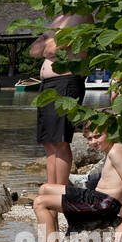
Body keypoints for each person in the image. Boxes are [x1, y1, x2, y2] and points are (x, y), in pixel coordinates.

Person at [32, 128, 122, 242]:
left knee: (39, 203)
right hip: (96, 197)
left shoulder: (116, 151)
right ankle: (52, 240)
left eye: (98, 136)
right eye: (89, 138)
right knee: (45, 189)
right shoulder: (112, 149)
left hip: (103, 204)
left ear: (110, 132)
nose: (93, 142)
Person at [30, 13, 92, 186]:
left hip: (66, 82)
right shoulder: (58, 18)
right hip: (48, 85)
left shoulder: (80, 15)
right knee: (48, 142)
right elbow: (33, 51)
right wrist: (50, 42)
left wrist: (47, 40)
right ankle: (51, 188)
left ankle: (61, 191)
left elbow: (53, 49)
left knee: (60, 140)